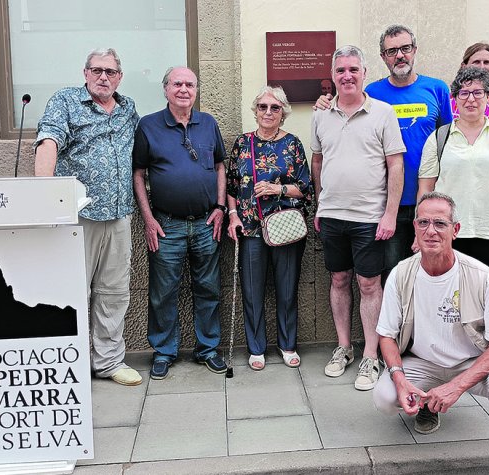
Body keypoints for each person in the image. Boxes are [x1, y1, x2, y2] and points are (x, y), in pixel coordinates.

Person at [374, 192, 489, 475]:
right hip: (422, 362)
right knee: (385, 397)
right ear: (415, 228)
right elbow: (386, 335)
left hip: (473, 363)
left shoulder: (481, 275)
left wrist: (456, 387)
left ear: (455, 230)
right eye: (423, 223)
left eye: (440, 224)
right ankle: (427, 404)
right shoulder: (401, 273)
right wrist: (399, 378)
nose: (430, 231)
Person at [34, 48, 142, 386]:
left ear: (119, 77)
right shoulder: (66, 101)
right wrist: (45, 193)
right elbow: (48, 140)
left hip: (119, 214)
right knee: (71, 292)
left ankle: (109, 362)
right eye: (97, 70)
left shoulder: (128, 109)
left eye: (110, 72)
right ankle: (68, 362)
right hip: (79, 217)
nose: (103, 77)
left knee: (114, 292)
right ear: (85, 73)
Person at [316, 25, 453, 284]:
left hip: (428, 198)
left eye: (405, 48)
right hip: (386, 205)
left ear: (414, 50)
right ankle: (398, 327)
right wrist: (324, 101)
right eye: (392, 51)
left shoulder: (437, 89)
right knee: (392, 277)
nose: (399, 55)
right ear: (383, 57)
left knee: (433, 273)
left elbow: (447, 140)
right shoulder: (374, 93)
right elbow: (343, 107)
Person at [311, 45, 405, 391]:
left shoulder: (382, 113)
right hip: (332, 215)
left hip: (370, 217)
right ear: (333, 76)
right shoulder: (321, 115)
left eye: (353, 69)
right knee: (338, 280)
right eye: (340, 71)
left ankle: (370, 355)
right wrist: (320, 205)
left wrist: (390, 214)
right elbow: (317, 162)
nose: (346, 76)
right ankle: (344, 348)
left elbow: (396, 165)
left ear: (364, 73)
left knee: (369, 284)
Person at [133, 66, 228, 380]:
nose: (184, 89)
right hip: (166, 225)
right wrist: (148, 219)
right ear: (165, 89)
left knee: (209, 288)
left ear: (196, 89)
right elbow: (138, 175)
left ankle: (208, 349)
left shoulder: (208, 124)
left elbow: (219, 167)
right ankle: (164, 351)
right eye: (177, 84)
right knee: (163, 292)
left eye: (190, 84)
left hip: (205, 223)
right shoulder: (148, 126)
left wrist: (219, 208)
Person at [226, 86, 313, 371]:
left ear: (283, 113)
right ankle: (256, 348)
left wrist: (277, 188)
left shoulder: (292, 144)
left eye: (274, 108)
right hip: (250, 228)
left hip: (284, 226)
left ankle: (287, 345)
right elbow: (231, 186)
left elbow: (306, 189)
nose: (268, 112)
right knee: (252, 290)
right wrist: (233, 216)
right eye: (262, 106)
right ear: (255, 110)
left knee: (286, 289)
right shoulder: (242, 143)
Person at [417, 66, 489, 283]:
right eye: (464, 93)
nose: (471, 99)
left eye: (478, 93)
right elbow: (426, 188)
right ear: (455, 98)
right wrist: (421, 228)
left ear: (488, 96)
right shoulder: (439, 138)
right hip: (448, 234)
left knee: (487, 302)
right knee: (449, 300)